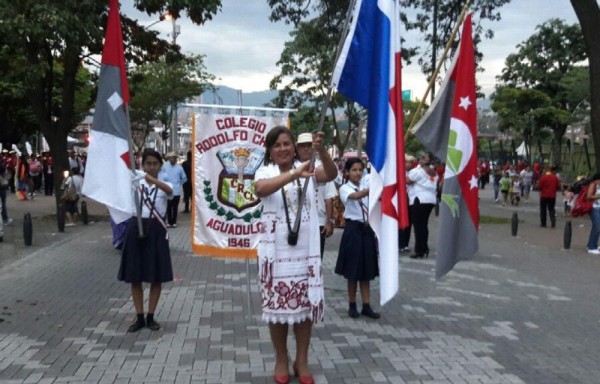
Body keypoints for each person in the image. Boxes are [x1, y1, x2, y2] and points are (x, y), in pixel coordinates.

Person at [254, 127, 337, 384]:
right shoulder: (265, 171)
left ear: (294, 147)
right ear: (270, 149)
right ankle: (281, 357)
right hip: (275, 254)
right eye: (277, 145)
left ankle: (301, 359)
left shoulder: (308, 168)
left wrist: (320, 150)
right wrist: (294, 174)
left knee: (304, 309)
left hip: (305, 251)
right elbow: (261, 189)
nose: (282, 149)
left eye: (287, 144)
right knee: (276, 309)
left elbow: (332, 174)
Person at [118, 149, 174, 332]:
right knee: (135, 276)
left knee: (156, 276)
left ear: (160, 165)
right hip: (136, 228)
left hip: (156, 230)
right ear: (142, 165)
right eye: (148, 164)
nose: (151, 167)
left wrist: (152, 180)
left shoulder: (163, 183)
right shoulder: (135, 183)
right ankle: (139, 316)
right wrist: (136, 180)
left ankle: (151, 316)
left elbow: (169, 191)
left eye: (154, 163)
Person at [335, 157, 380, 320]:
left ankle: (366, 305)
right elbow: (355, 196)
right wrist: (371, 190)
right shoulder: (345, 188)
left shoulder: (366, 184)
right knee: (352, 270)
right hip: (353, 229)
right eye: (354, 170)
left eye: (360, 170)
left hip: (366, 229)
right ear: (347, 172)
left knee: (367, 271)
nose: (358, 173)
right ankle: (352, 304)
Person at [295, 132, 337, 259]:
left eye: (309, 145)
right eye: (302, 145)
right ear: (297, 148)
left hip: (318, 222)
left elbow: (328, 197)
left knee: (316, 259)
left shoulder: (322, 166)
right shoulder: (291, 166)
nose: (306, 148)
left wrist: (329, 221)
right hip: (296, 221)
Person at [406, 152, 438, 259]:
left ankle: (419, 250)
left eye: (424, 157)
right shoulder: (434, 172)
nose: (421, 158)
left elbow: (407, 181)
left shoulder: (418, 171)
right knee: (423, 226)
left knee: (419, 226)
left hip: (419, 199)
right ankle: (424, 248)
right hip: (430, 200)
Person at [159, 152, 187, 227]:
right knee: (168, 207)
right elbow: (160, 175)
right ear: (169, 158)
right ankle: (169, 222)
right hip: (167, 190)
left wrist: (179, 183)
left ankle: (174, 222)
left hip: (176, 191)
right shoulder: (164, 167)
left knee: (175, 207)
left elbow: (184, 178)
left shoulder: (179, 168)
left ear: (176, 159)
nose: (172, 159)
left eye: (174, 158)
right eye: (171, 158)